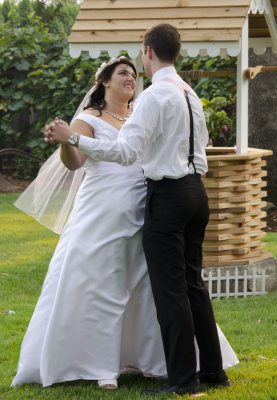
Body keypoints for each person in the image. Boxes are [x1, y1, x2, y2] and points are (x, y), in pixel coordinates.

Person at [45, 24, 239, 396]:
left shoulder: (153, 96)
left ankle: (184, 379)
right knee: (194, 285)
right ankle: (214, 371)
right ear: (176, 52)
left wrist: (72, 136)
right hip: (197, 193)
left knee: (170, 292)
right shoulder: (189, 94)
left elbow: (125, 152)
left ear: (148, 50)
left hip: (168, 196)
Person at [12, 57, 170, 388]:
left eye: (134, 75)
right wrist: (66, 141)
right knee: (100, 287)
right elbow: (75, 162)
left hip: (142, 209)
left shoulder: (140, 113)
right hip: (101, 212)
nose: (131, 79)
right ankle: (101, 367)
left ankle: (148, 359)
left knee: (143, 286)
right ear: (105, 83)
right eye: (123, 74)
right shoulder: (89, 118)